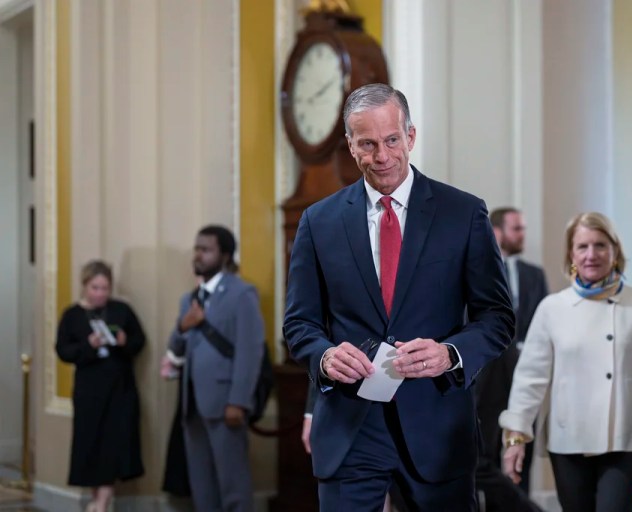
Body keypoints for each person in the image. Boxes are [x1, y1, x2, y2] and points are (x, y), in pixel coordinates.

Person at [283, 83, 515, 511]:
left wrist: (451, 353)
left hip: (438, 425)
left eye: (392, 140)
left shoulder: (463, 213)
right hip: (350, 429)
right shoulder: (319, 222)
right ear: (350, 146)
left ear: (410, 136)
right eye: (367, 144)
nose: (382, 156)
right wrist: (325, 356)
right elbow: (299, 323)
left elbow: (498, 316)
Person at [500, 212, 632, 512]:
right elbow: (530, 379)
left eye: (601, 245)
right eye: (583, 247)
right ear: (571, 254)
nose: (592, 255)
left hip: (626, 437)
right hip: (568, 440)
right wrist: (516, 436)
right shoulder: (553, 308)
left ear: (615, 251)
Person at [162, 225, 265, 512]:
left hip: (225, 404)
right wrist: (184, 325)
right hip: (193, 404)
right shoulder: (189, 299)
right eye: (196, 248)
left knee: (232, 483)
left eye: (206, 249)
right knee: (202, 484)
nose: (198, 255)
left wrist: (239, 400)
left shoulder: (241, 293)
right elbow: (175, 348)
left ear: (225, 255)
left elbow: (250, 351)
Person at [55, 260, 145, 512]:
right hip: (89, 392)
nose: (100, 294)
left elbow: (139, 342)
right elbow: (63, 350)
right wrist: (88, 346)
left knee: (113, 445)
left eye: (105, 288)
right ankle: (99, 502)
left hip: (120, 389)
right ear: (84, 286)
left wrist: (125, 342)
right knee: (92, 445)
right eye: (95, 288)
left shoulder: (122, 311)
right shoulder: (72, 315)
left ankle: (101, 504)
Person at [477, 207, 548, 498]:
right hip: (488, 377)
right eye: (516, 229)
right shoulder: (479, 270)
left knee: (522, 446)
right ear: (497, 232)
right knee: (487, 450)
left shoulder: (534, 274)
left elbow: (543, 324)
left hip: (525, 373)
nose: (522, 235)